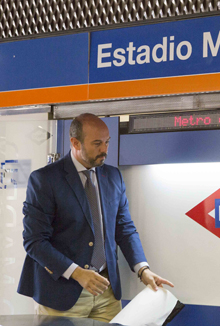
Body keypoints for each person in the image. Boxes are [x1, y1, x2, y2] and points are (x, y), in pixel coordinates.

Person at [18, 113, 174, 322]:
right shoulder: (45, 180)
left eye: (107, 142)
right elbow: (34, 241)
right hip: (62, 294)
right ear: (75, 143)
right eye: (97, 143)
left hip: (107, 293)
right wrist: (77, 273)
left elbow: (124, 228)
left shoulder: (113, 176)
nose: (104, 150)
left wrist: (142, 269)